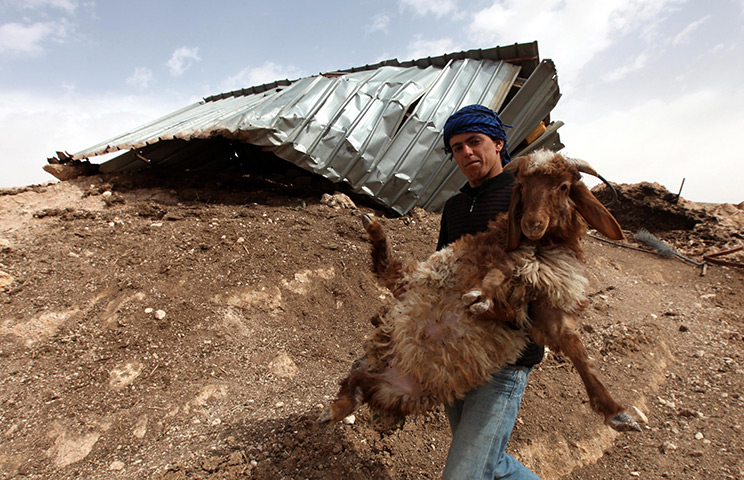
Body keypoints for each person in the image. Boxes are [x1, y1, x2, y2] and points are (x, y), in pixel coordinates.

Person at [437, 104, 543, 480]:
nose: (466, 153)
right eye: (456, 148)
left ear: (498, 143)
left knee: (464, 474)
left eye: (474, 142)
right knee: (490, 463)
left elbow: (550, 273)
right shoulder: (453, 207)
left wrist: (510, 308)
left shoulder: (526, 196)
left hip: (506, 357)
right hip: (459, 354)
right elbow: (443, 273)